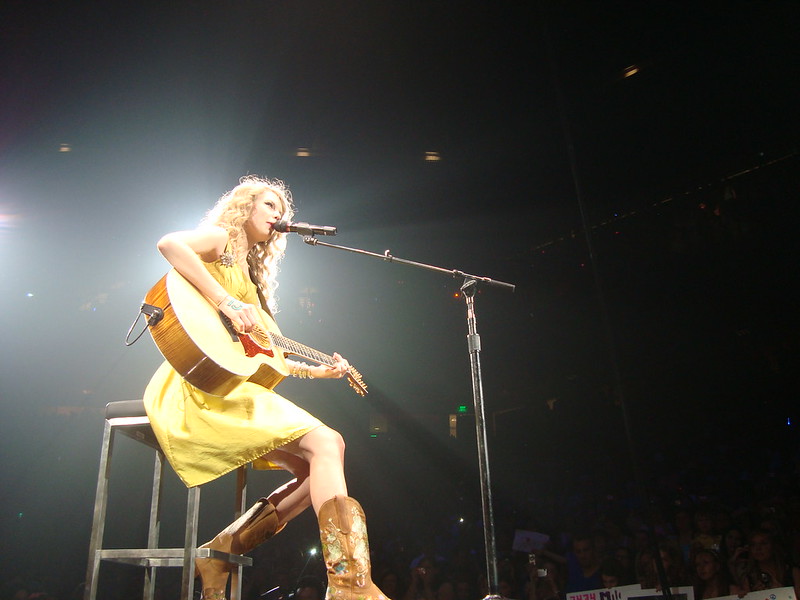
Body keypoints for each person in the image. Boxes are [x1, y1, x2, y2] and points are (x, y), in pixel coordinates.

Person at [143, 176, 388, 600]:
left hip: (237, 389)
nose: (279, 215)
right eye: (270, 205)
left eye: (283, 211)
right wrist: (227, 302)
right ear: (245, 207)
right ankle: (351, 586)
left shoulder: (253, 282)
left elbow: (266, 360)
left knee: (319, 466)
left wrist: (319, 373)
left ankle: (220, 552)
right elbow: (169, 243)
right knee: (329, 442)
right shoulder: (221, 241)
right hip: (201, 390)